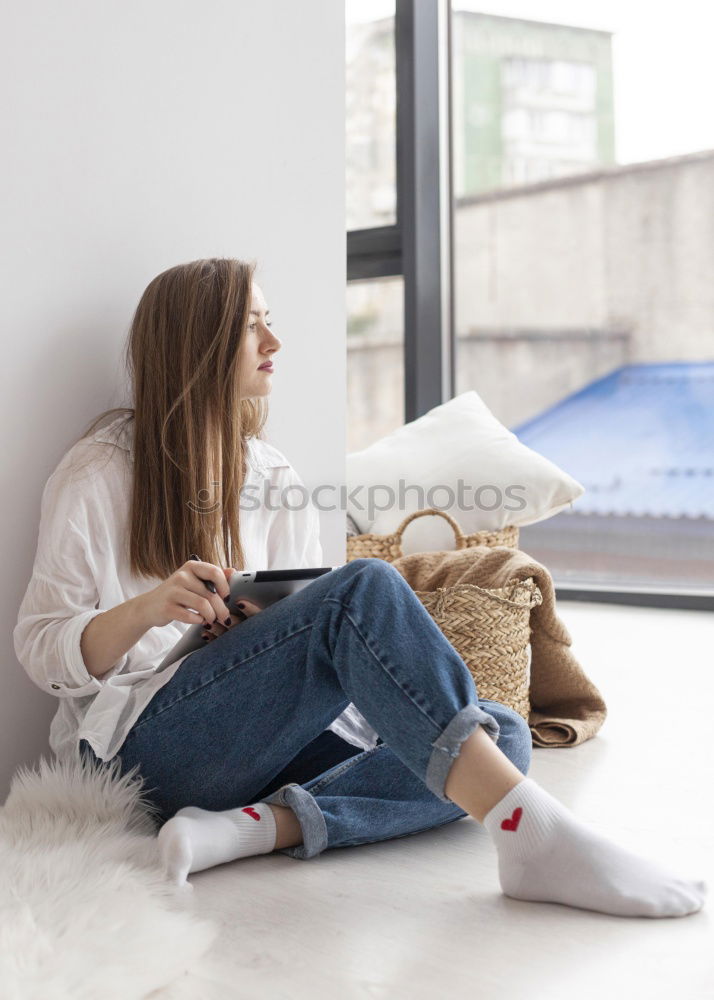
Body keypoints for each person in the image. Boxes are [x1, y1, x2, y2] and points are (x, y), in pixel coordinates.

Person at [14, 257, 706, 919]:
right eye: (252, 324)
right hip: (144, 749)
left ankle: (254, 829)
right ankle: (534, 832)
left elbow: (300, 619)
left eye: (269, 320)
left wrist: (248, 634)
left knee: (502, 732)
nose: (274, 341)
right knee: (363, 592)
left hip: (264, 742)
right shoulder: (101, 470)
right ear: (197, 342)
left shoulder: (270, 473)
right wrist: (149, 609)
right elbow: (42, 648)